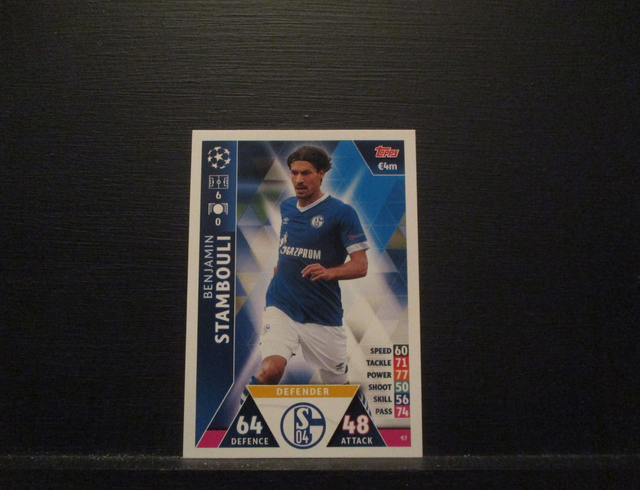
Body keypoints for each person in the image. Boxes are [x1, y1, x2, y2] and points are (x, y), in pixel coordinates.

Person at [242, 145, 369, 400]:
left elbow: (361, 265)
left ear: (321, 174)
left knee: (337, 387)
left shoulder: (342, 213)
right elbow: (290, 247)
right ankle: (246, 415)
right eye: (294, 173)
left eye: (306, 173)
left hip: (322, 314)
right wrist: (282, 268)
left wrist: (330, 272)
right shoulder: (288, 207)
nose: (299, 179)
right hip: (282, 304)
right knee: (270, 371)